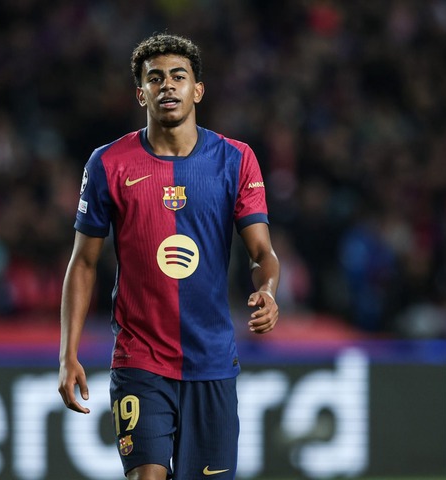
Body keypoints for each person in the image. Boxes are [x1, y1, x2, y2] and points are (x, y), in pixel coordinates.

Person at [58, 33, 280, 480]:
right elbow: (82, 263)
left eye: (178, 76)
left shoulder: (236, 160)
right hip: (140, 359)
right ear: (141, 93)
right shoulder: (108, 164)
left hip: (212, 360)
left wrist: (269, 291)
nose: (167, 86)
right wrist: (68, 354)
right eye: (154, 78)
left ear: (197, 89)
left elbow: (261, 251)